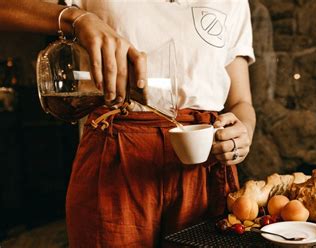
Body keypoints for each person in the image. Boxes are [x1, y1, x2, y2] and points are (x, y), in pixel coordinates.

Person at [0, 0, 256, 247]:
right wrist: (76, 18)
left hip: (202, 163)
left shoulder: (233, 2)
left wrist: (242, 131)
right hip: (116, 154)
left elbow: (241, 102)